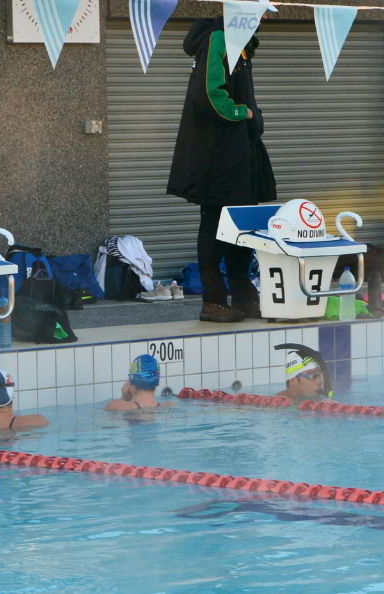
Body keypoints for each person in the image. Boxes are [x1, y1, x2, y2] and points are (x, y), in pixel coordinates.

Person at [167, 6, 279, 323]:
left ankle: (244, 296)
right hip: (218, 157)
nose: (265, 18)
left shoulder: (239, 43)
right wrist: (241, 112)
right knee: (216, 228)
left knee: (242, 226)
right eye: (261, 11)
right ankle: (213, 301)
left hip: (239, 153)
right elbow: (208, 93)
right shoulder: (218, 38)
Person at [106, 355, 174, 411]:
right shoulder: (170, 406)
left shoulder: (114, 405)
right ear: (158, 382)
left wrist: (124, 399)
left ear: (130, 382)